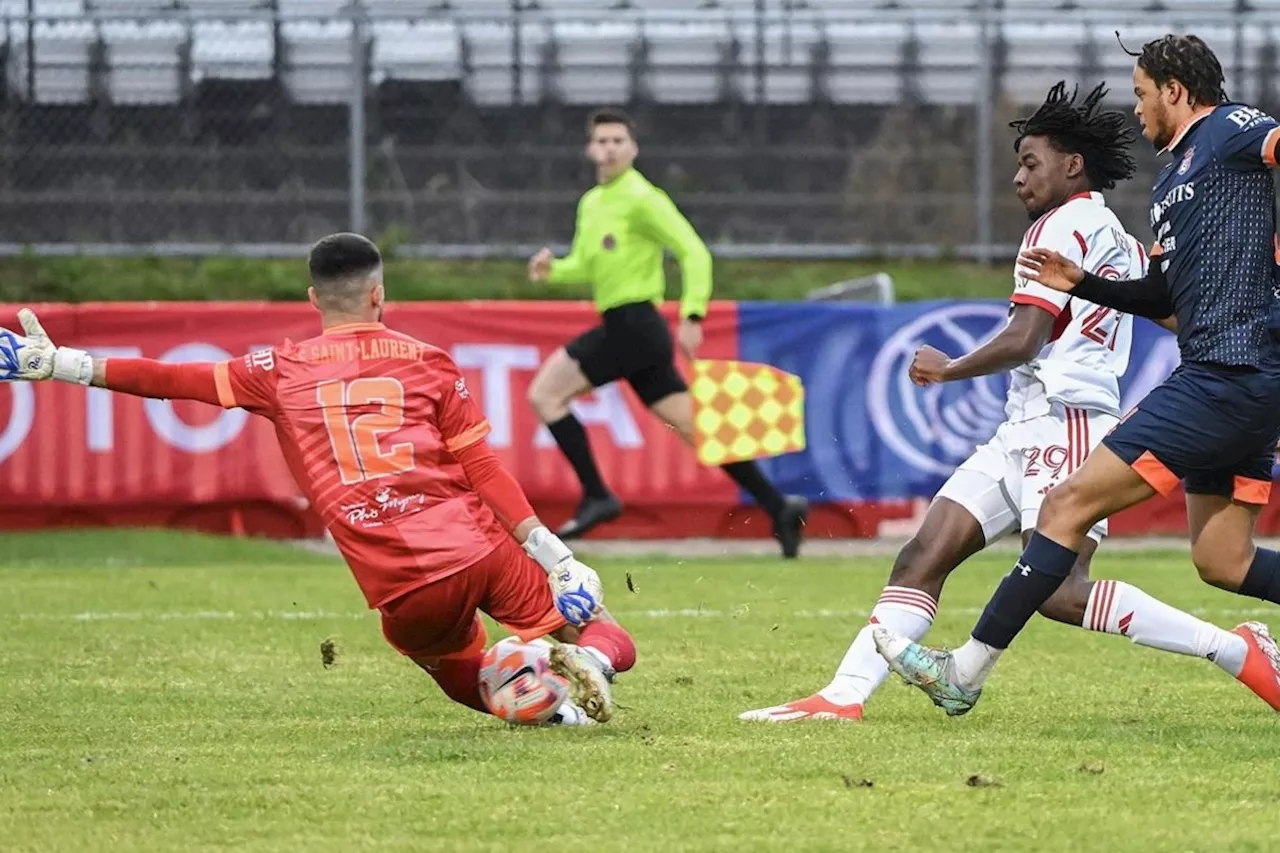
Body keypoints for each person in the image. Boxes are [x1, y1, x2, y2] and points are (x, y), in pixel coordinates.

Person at [742, 81, 1259, 722]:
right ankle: (843, 696)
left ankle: (1234, 651)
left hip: (1066, 423)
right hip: (1025, 425)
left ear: (1073, 165)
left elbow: (1024, 338)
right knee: (926, 552)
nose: (1018, 178)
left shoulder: (1065, 224)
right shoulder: (1116, 235)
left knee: (1064, 595)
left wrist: (948, 368)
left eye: (1030, 162)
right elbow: (1173, 316)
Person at [0, 233, 636, 726]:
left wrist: (61, 363)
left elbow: (171, 380)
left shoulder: (278, 369)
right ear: (379, 294)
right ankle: (595, 661)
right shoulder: (428, 361)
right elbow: (483, 467)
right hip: (477, 547)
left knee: (456, 666)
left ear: (312, 299)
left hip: (401, 584)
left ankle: (552, 711)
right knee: (597, 622)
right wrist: (556, 557)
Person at [876, 35, 1280, 717]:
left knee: (1064, 508)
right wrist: (1083, 282)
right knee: (1223, 558)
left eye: (1142, 94)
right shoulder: (1171, 186)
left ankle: (964, 672)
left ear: (1176, 91)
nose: (1138, 108)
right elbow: (1162, 299)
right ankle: (1253, 652)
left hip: (1228, 371)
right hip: (1238, 376)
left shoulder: (1231, 128)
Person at [526, 106, 808, 556]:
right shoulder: (592, 203)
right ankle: (778, 505)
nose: (609, 148)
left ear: (633, 148)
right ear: (590, 148)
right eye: (602, 140)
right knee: (698, 430)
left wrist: (693, 315)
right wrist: (553, 270)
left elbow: (695, 252)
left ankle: (598, 494)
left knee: (544, 394)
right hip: (630, 331)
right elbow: (585, 263)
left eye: (618, 140)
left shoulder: (643, 197)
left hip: (635, 324)